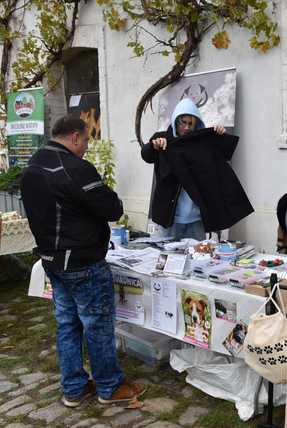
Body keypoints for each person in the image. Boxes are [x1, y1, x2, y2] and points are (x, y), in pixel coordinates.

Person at [21, 115, 146, 408]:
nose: (87, 146)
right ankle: (109, 386)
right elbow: (112, 208)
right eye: (87, 140)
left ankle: (74, 388)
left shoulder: (33, 165)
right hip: (81, 260)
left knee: (67, 324)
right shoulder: (74, 168)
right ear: (75, 137)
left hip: (52, 259)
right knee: (97, 324)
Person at [142, 98, 226, 241]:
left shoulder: (200, 144)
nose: (186, 128)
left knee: (197, 258)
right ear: (176, 121)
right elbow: (146, 155)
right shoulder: (162, 139)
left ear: (196, 124)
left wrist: (220, 136)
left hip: (195, 219)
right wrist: (153, 146)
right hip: (169, 218)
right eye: (183, 122)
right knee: (166, 257)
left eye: (190, 123)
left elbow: (221, 158)